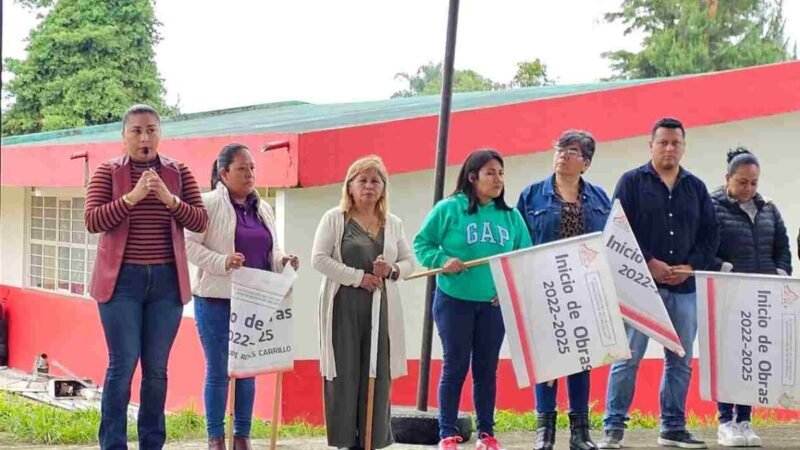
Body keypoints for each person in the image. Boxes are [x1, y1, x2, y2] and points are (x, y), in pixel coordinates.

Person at [85, 104, 208, 450]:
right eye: (137, 130)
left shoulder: (178, 172)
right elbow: (93, 221)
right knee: (122, 365)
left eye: (152, 129)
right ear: (123, 136)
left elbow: (200, 221)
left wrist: (169, 199)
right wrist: (132, 197)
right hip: (121, 283)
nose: (145, 137)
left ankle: (152, 443)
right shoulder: (107, 172)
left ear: (160, 134)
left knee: (156, 370)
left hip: (166, 285)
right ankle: (113, 444)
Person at [599, 118, 719, 450]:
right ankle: (613, 428)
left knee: (679, 360)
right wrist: (648, 261)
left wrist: (691, 266)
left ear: (683, 146)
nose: (669, 148)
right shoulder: (632, 182)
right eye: (663, 142)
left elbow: (711, 235)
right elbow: (617, 229)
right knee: (628, 358)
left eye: (676, 143)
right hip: (638, 286)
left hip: (683, 289)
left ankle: (673, 428)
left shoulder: (695, 187)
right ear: (650, 144)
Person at [415, 149, 532, 450]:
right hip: (454, 301)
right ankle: (446, 433)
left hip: (492, 306)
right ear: (472, 177)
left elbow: (522, 257)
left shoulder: (510, 216)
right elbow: (422, 243)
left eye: (501, 173)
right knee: (455, 366)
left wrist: (506, 292)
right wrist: (443, 259)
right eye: (490, 173)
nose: (498, 179)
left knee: (486, 369)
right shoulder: (449, 209)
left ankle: (486, 434)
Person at [185, 143, 300, 450]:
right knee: (220, 367)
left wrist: (283, 260)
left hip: (254, 299)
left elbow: (270, 250)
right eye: (241, 168)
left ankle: (242, 436)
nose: (249, 174)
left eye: (252, 168)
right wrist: (223, 262)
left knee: (248, 367)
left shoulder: (264, 208)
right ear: (224, 173)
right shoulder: (206, 204)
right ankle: (215, 438)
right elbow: (189, 245)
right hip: (215, 299)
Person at [311, 155, 415, 450]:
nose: (369, 186)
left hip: (381, 308)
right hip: (343, 304)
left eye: (375, 181)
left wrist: (391, 270)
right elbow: (318, 259)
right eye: (363, 180)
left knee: (378, 372)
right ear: (350, 185)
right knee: (345, 372)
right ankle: (347, 441)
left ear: (383, 188)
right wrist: (359, 277)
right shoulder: (335, 218)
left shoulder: (392, 224)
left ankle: (372, 439)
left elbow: (409, 262)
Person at [517, 130, 609, 450]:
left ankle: (580, 433)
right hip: (545, 289)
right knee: (547, 360)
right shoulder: (531, 196)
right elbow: (519, 244)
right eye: (559, 149)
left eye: (570, 151)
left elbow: (608, 245)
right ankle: (545, 432)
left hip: (585, 289)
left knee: (581, 357)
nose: (562, 155)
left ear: (585, 163)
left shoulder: (599, 198)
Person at [710, 147, 792, 447]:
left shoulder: (769, 208)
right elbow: (704, 249)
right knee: (729, 359)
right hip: (727, 297)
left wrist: (780, 275)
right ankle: (725, 421)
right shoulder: (712, 207)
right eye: (742, 182)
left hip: (762, 299)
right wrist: (726, 269)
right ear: (728, 179)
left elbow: (782, 248)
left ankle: (745, 420)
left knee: (752, 358)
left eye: (754, 182)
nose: (748, 188)